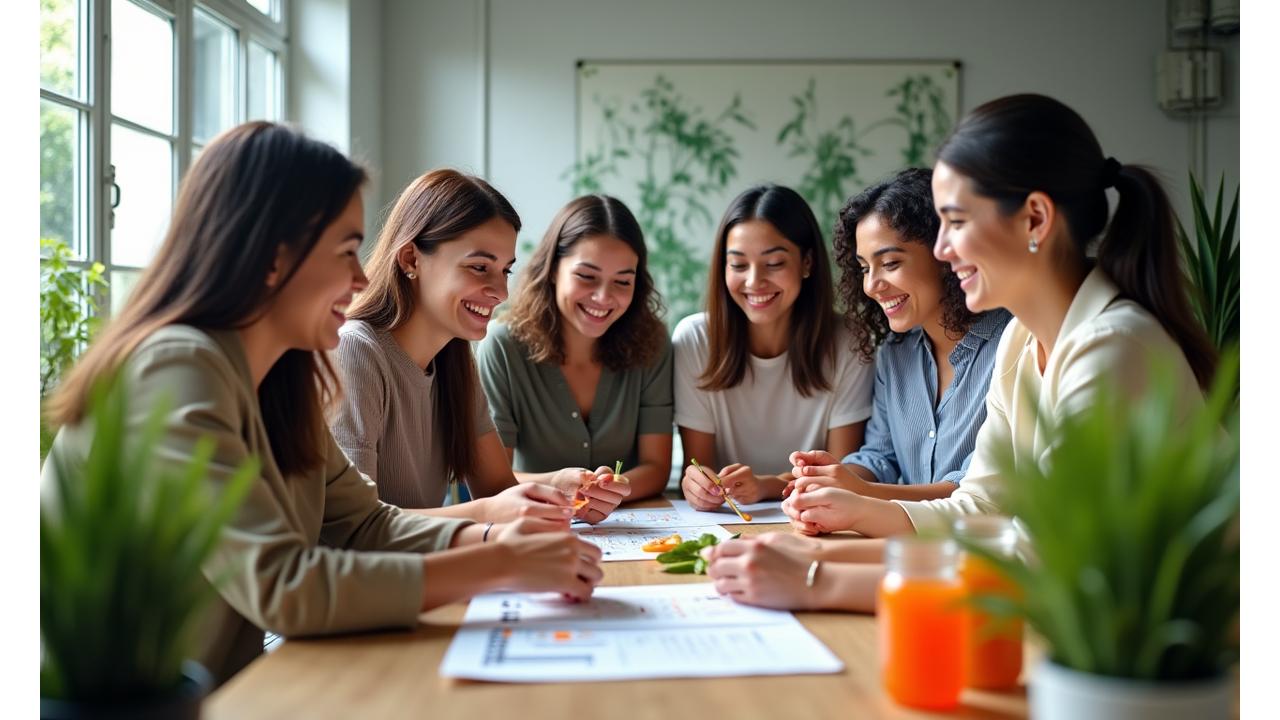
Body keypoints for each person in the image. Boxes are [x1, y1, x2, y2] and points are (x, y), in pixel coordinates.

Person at [41, 122, 603, 684]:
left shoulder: (284, 372)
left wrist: (491, 538)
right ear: (270, 255)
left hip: (225, 688)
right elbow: (282, 585)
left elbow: (362, 525)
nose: (361, 276)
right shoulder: (176, 366)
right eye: (346, 251)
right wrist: (498, 563)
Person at [708, 94, 1215, 611]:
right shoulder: (1023, 340)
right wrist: (801, 551)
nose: (943, 250)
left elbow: (1048, 561)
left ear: (1035, 219)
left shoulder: (1112, 347)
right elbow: (979, 509)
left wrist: (819, 581)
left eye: (955, 222)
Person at [329, 168, 586, 530]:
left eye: (505, 271)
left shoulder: (455, 359)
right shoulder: (355, 351)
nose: (501, 292)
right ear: (410, 260)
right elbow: (351, 524)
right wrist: (483, 514)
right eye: (479, 267)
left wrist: (562, 499)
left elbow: (497, 489)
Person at [785, 168, 1011, 504]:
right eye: (864, 268)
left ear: (946, 254)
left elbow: (977, 489)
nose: (871, 285)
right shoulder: (895, 353)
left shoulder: (1012, 343)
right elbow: (881, 456)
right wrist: (837, 477)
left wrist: (864, 493)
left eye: (889, 263)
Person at [675, 184, 873, 511]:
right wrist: (697, 484)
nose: (754, 281)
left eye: (774, 263)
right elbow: (698, 468)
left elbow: (840, 476)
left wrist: (767, 485)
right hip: (725, 522)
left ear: (807, 263)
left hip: (814, 517)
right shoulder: (694, 340)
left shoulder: (848, 341)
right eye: (738, 265)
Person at [476, 195, 672, 521]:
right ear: (553, 269)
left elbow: (656, 467)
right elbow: (497, 479)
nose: (603, 297)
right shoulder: (503, 346)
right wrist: (560, 487)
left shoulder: (654, 344)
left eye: (623, 281)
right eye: (587, 276)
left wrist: (607, 493)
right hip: (536, 527)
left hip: (636, 525)